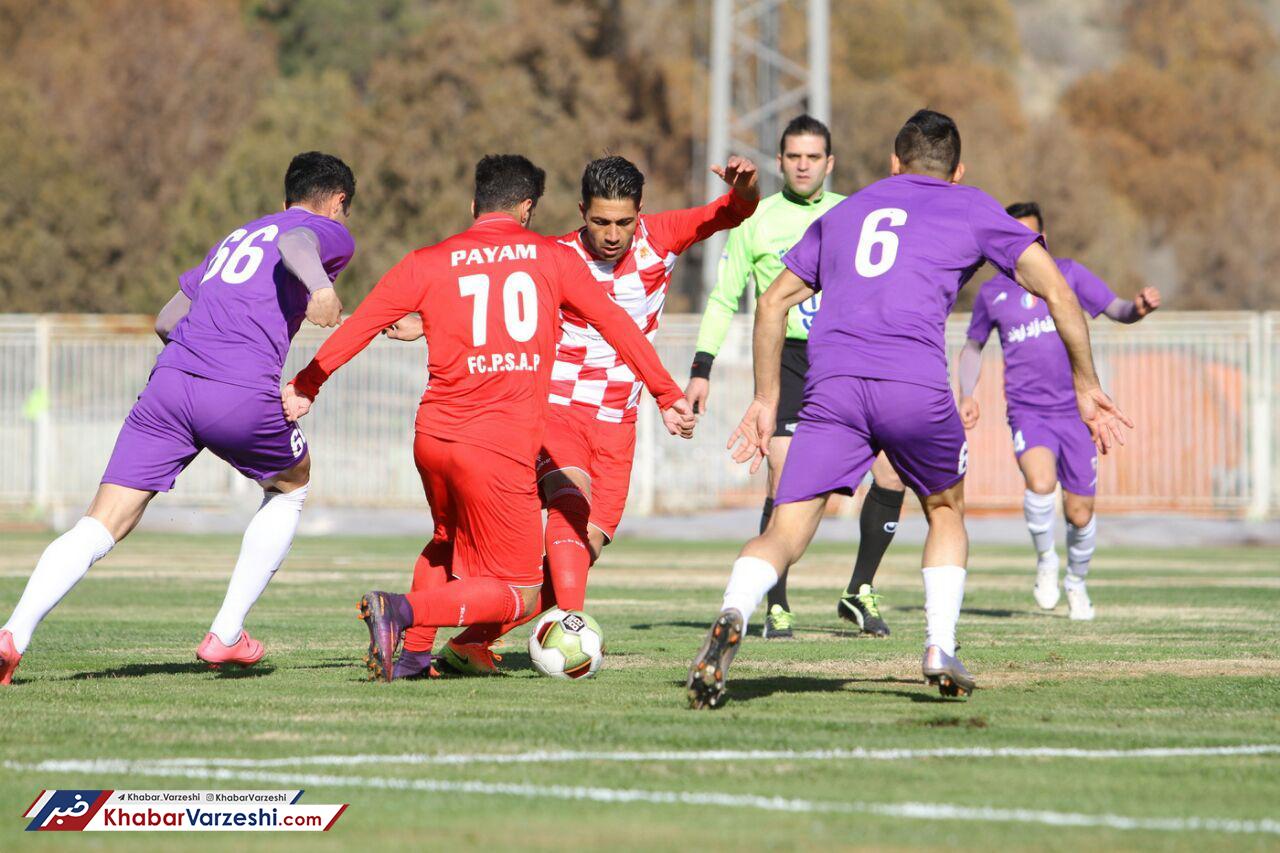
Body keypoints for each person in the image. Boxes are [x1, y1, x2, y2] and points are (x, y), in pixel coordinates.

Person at [684, 110, 1133, 709]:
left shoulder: (845, 211)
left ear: (894, 162)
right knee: (945, 509)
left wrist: (766, 401)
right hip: (913, 384)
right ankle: (938, 647)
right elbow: (1058, 290)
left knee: (786, 529)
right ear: (957, 171)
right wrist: (1085, 383)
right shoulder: (971, 206)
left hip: (832, 385)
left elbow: (771, 303)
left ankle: (734, 611)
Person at [280, 154, 697, 682]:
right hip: (498, 448)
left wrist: (307, 383)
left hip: (433, 438)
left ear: (475, 204)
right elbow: (617, 324)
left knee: (444, 539)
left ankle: (411, 656)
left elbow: (363, 324)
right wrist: (664, 392)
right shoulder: (553, 258)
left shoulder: (427, 260)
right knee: (520, 591)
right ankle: (401, 612)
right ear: (527, 208)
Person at [0, 152, 357, 684]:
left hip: (169, 384)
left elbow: (168, 318)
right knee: (291, 487)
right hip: (236, 390)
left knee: (101, 522)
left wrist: (198, 363)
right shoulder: (322, 228)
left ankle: (13, 633)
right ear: (338, 202)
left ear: (283, 199)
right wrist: (323, 290)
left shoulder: (236, 236)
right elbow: (297, 245)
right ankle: (227, 633)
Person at [408, 153, 759, 675]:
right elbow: (484, 291)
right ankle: (572, 626)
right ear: (581, 211)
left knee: (584, 545)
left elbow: (731, 213)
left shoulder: (661, 238)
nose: (612, 234)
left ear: (640, 213)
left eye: (623, 221)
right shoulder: (552, 255)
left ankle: (468, 644)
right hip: (556, 412)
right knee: (570, 502)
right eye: (599, 221)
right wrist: (426, 319)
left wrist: (746, 190)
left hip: (618, 426)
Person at [685, 114, 905, 639]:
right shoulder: (756, 221)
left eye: (814, 157)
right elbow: (723, 297)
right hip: (785, 361)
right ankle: (775, 604)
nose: (803, 165)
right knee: (784, 479)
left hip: (847, 358)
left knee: (893, 471)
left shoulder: (854, 214)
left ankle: (860, 589)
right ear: (780, 162)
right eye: (794, 157)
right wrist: (701, 368)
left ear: (829, 163)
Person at [958, 201, 1161, 620]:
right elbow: (974, 346)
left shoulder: (1068, 276)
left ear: (1041, 240)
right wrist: (966, 392)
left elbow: (1116, 309)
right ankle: (1047, 560)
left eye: (1026, 238)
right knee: (1039, 482)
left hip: (1077, 413)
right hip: (1028, 412)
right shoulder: (993, 292)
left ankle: (1077, 582)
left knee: (1080, 512)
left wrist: (1137, 310)